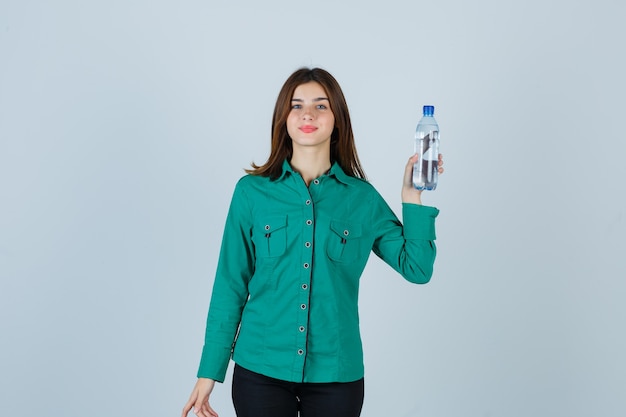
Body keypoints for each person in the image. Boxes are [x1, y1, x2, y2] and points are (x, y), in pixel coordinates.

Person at [182, 67, 444, 417]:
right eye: (297, 105)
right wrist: (208, 370)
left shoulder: (361, 199)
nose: (308, 114)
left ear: (337, 120)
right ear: (283, 118)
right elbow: (230, 285)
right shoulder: (252, 193)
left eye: (321, 106)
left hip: (337, 375)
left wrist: (411, 197)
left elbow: (417, 268)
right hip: (260, 371)